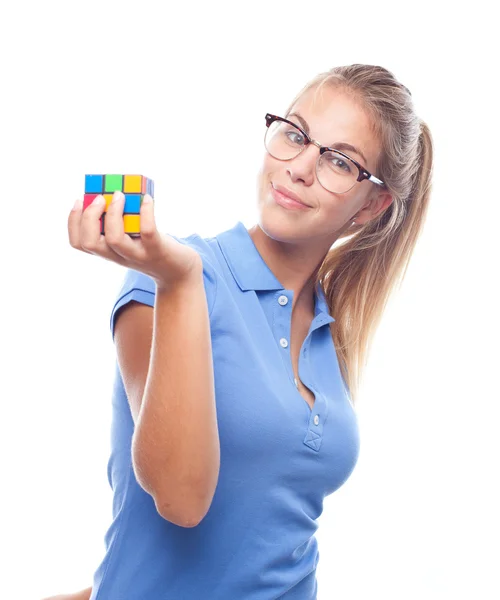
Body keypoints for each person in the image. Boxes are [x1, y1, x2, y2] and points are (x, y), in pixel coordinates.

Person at [43, 63, 433, 600]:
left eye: (339, 162)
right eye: (295, 134)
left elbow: (252, 542)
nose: (298, 167)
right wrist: (179, 281)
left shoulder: (329, 331)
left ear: (371, 205)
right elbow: (180, 499)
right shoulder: (170, 273)